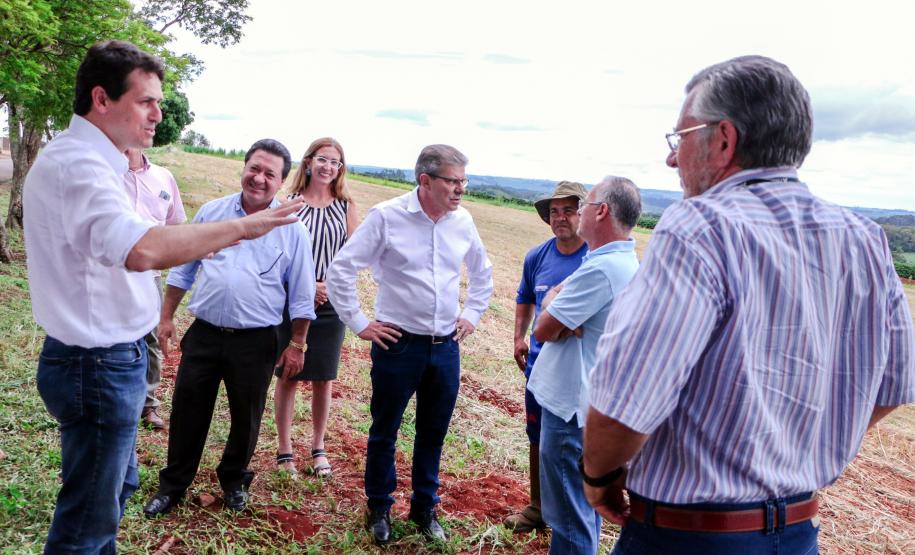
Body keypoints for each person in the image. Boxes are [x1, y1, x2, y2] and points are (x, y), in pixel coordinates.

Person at [582, 55, 915, 554]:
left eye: (681, 137)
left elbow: (622, 407)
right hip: (799, 532)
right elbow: (893, 384)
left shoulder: (698, 226)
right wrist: (791, 447)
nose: (673, 159)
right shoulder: (864, 238)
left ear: (723, 139)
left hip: (688, 537)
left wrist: (599, 477)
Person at [23, 40, 304, 554]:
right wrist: (242, 228)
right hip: (97, 363)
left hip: (112, 358)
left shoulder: (99, 163)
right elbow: (143, 248)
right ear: (102, 99)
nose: (159, 113)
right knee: (88, 518)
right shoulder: (79, 166)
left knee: (112, 494)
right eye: (146, 100)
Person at [326, 144, 494, 545]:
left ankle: (424, 507)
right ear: (425, 180)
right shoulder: (387, 216)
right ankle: (380, 506)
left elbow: (483, 272)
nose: (460, 190)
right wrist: (362, 324)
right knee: (385, 429)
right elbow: (341, 270)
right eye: (453, 181)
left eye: (463, 182)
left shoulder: (463, 221)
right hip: (399, 344)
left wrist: (471, 315)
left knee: (433, 431)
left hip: (445, 347)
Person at [143, 139, 316, 517]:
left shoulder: (293, 230)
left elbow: (302, 295)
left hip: (257, 341)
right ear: (243, 168)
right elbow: (184, 268)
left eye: (270, 173)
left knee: (246, 414)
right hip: (205, 333)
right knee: (187, 410)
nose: (259, 178)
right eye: (254, 168)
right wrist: (167, 316)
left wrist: (297, 344)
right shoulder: (212, 212)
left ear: (282, 181)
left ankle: (234, 480)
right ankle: (173, 485)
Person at [527, 176, 640, 554]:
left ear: (601, 211)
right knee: (583, 510)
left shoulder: (598, 270)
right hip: (590, 404)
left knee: (569, 521)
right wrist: (562, 318)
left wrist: (554, 301)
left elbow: (542, 329)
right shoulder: (623, 262)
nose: (576, 214)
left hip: (569, 408)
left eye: (583, 205)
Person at [504, 181, 588, 533]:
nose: (560, 218)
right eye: (554, 211)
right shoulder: (537, 256)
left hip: (581, 373)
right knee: (537, 438)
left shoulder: (593, 260)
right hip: (539, 368)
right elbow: (525, 297)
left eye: (568, 210)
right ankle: (538, 507)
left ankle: (576, 513)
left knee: (576, 446)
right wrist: (519, 337)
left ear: (584, 213)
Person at [274, 137, 359, 479]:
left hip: (331, 301)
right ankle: (284, 450)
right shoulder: (288, 204)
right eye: (322, 159)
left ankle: (318, 446)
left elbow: (354, 256)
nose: (328, 167)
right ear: (308, 162)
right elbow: (277, 255)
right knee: (289, 373)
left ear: (340, 169)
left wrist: (325, 286)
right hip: (293, 299)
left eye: (335, 162)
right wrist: (306, 287)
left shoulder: (346, 205)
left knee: (323, 376)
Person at [123, 147, 187, 430]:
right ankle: (118, 400)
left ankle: (148, 405)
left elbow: (176, 228)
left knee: (150, 339)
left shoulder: (163, 177)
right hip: (109, 274)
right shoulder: (104, 175)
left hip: (149, 276)